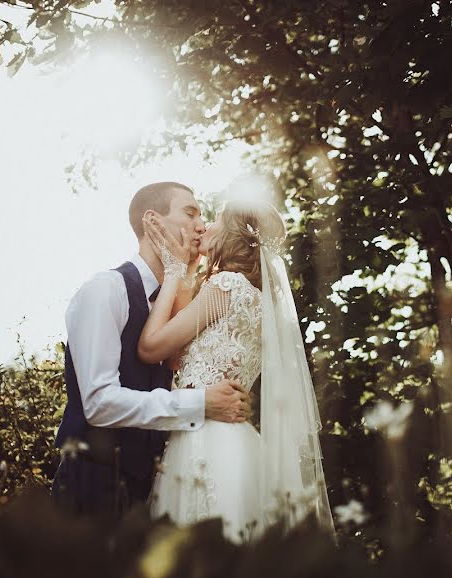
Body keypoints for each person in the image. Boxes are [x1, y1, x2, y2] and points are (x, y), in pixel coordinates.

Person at [139, 194, 335, 543]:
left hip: (205, 441)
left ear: (230, 233)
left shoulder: (224, 286)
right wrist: (186, 268)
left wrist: (172, 271)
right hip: (240, 442)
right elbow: (179, 359)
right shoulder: (263, 302)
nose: (204, 226)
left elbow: (151, 347)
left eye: (213, 220)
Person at [51, 182, 252, 516]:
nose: (201, 226)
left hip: (153, 493)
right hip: (91, 491)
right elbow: (99, 403)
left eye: (202, 216)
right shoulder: (105, 290)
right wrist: (200, 403)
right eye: (190, 213)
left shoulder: (177, 306)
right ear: (152, 222)